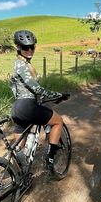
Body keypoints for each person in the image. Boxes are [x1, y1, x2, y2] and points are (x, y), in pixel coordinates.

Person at [10, 30, 69, 171]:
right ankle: (50, 158)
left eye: (32, 47)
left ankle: (18, 178)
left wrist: (47, 97)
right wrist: (57, 94)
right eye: (25, 47)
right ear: (18, 47)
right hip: (27, 107)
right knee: (58, 121)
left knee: (19, 148)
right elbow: (35, 88)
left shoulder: (20, 64)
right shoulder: (21, 65)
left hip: (17, 108)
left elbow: (24, 89)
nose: (29, 50)